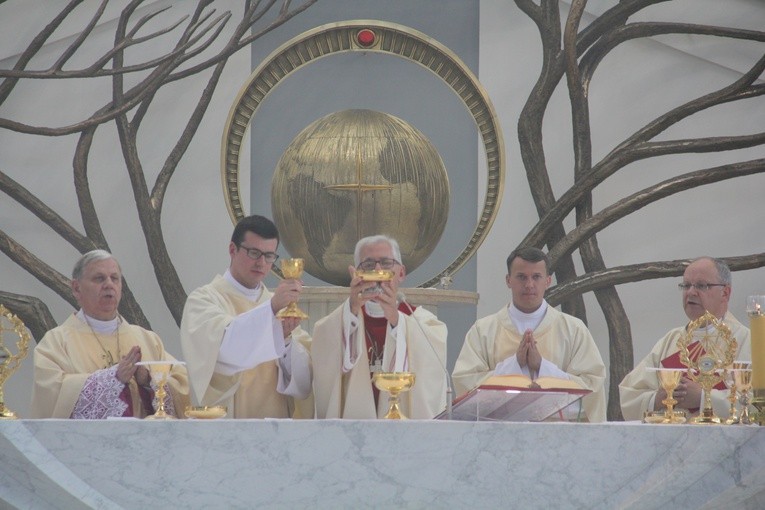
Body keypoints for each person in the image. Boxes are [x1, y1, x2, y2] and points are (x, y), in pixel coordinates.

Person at [452, 247, 607, 422]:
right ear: (508, 280)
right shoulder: (483, 330)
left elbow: (592, 385)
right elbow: (465, 383)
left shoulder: (573, 329)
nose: (529, 285)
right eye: (521, 277)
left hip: (558, 436)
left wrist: (542, 366)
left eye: (536, 277)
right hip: (498, 433)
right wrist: (514, 364)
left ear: (547, 281)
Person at [180, 215, 312, 418]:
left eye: (269, 256)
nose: (261, 263)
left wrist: (285, 340)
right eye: (254, 253)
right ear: (232, 250)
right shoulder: (204, 300)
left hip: (275, 427)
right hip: (228, 429)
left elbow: (302, 384)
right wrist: (272, 309)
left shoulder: (276, 305)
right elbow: (226, 352)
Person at [30, 250, 189, 419]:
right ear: (76, 288)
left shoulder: (148, 339)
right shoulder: (55, 342)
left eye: (114, 278)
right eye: (99, 278)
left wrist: (149, 380)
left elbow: (183, 385)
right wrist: (112, 379)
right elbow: (52, 397)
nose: (108, 284)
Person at [312, 235, 447, 419]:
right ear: (355, 274)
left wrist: (395, 319)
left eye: (385, 263)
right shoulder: (341, 322)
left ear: (401, 273)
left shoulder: (424, 324)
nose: (377, 271)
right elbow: (323, 348)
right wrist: (350, 310)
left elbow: (432, 366)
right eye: (368, 265)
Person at [619, 257, 751, 421]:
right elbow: (629, 394)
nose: (691, 292)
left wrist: (703, 398)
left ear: (725, 292)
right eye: (686, 285)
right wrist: (660, 398)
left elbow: (756, 403)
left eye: (702, 286)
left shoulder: (746, 340)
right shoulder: (672, 339)